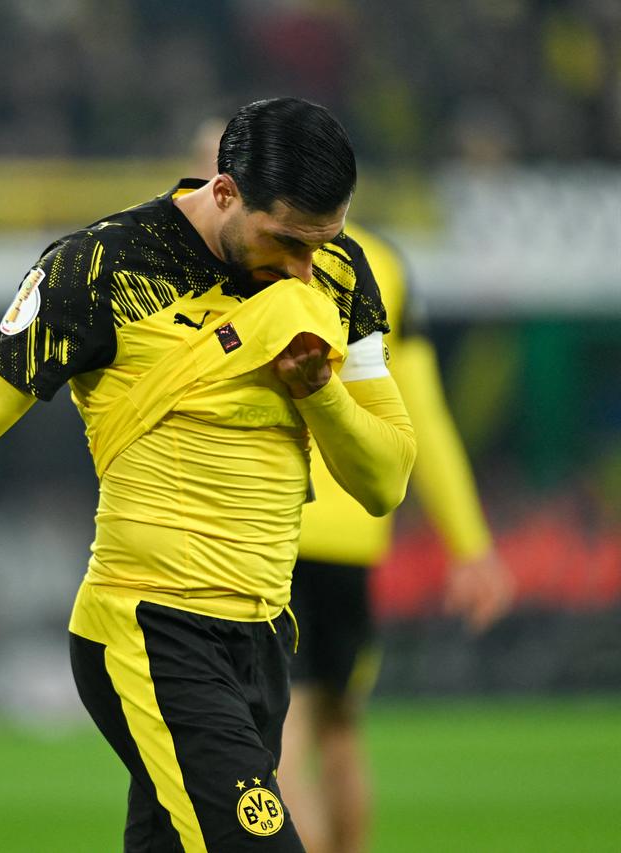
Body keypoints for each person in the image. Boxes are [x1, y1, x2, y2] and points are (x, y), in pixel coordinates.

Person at [0, 98, 417, 851]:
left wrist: (319, 393)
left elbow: (385, 477)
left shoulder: (338, 270)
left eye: (320, 243)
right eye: (285, 241)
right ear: (224, 190)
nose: (302, 269)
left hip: (262, 636)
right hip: (150, 629)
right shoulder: (100, 267)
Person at [190, 117, 514, 853]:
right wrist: (471, 544)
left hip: (267, 531)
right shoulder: (381, 266)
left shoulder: (233, 260)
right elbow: (421, 411)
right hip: (353, 539)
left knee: (278, 738)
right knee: (339, 730)